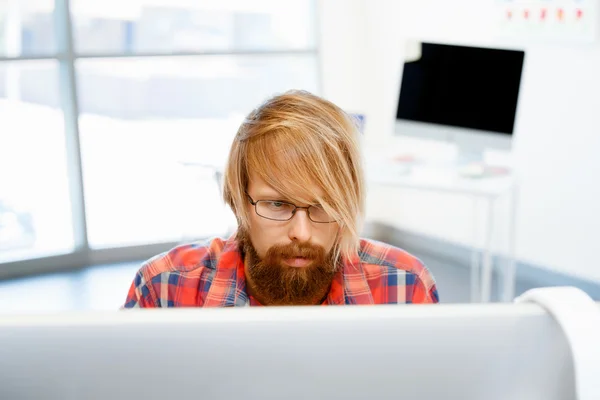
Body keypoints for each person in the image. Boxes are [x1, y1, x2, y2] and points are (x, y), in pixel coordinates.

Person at [124, 90, 439, 307]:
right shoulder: (162, 288)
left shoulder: (405, 286)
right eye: (277, 204)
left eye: (324, 205)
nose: (301, 232)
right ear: (238, 202)